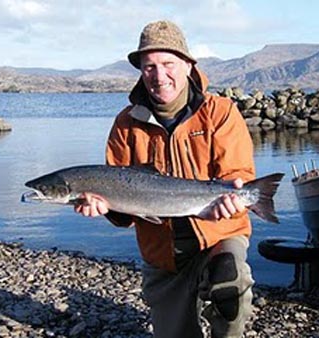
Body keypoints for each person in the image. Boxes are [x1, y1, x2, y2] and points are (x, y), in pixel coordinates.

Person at [74, 20, 256, 338]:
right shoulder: (125, 124)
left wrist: (236, 197)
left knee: (231, 281)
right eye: (149, 67)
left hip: (217, 236)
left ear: (187, 65)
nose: (159, 76)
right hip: (163, 254)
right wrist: (105, 207)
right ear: (141, 72)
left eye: (168, 64)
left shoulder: (220, 112)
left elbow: (237, 174)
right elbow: (121, 209)